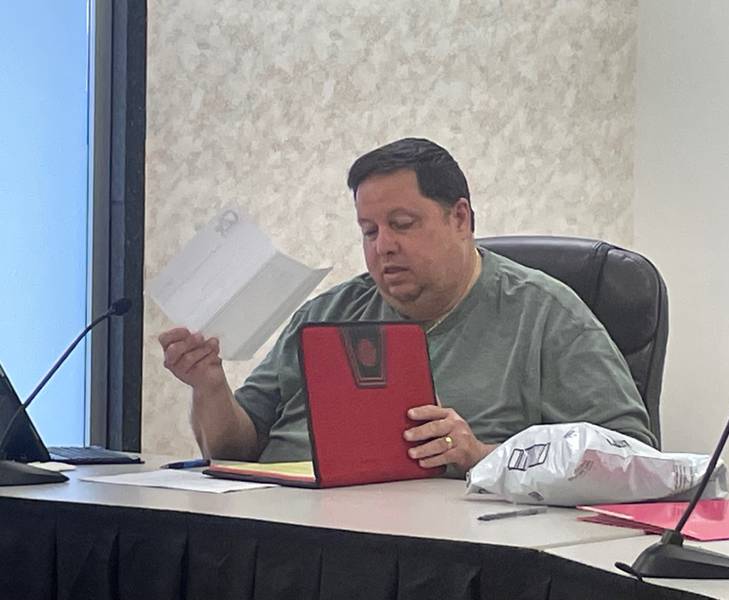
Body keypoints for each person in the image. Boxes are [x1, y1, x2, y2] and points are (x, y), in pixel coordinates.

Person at [159, 138, 655, 475]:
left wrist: (481, 455)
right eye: (369, 231)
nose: (383, 247)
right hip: (290, 533)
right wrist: (209, 388)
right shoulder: (327, 314)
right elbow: (233, 452)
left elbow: (633, 459)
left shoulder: (545, 315)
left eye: (402, 224)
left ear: (460, 218)